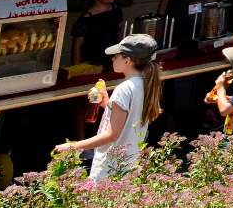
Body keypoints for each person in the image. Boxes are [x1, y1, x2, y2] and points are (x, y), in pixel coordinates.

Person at [54, 32, 163, 183]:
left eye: (117, 56)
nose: (112, 59)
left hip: (109, 169)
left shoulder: (123, 89)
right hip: (129, 165)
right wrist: (106, 102)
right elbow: (128, 119)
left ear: (128, 60)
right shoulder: (145, 84)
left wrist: (73, 146)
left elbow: (112, 135)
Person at [72, 0, 125, 67]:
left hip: (112, 60)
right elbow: (77, 47)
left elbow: (119, 33)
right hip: (92, 64)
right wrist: (77, 69)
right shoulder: (86, 19)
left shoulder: (116, 10)